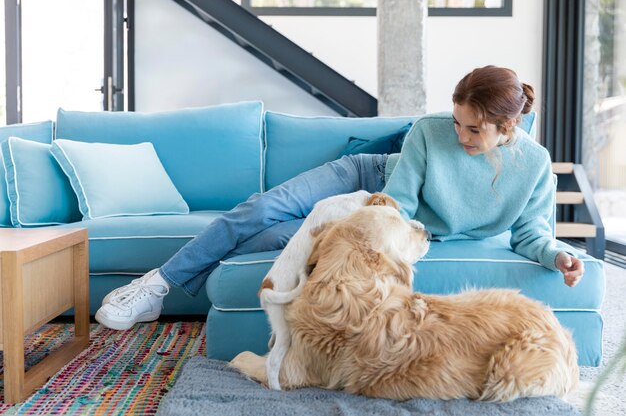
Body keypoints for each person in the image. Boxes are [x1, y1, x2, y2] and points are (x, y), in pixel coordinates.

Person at [95, 65, 585, 330]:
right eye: (456, 122)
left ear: (508, 126)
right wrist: (353, 219)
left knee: (276, 236)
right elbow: (399, 203)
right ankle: (156, 285)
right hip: (372, 181)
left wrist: (558, 255)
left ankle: (176, 287)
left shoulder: (535, 165)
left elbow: (530, 234)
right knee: (262, 207)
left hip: (393, 217)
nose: (459, 135)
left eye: (474, 129)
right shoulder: (430, 131)